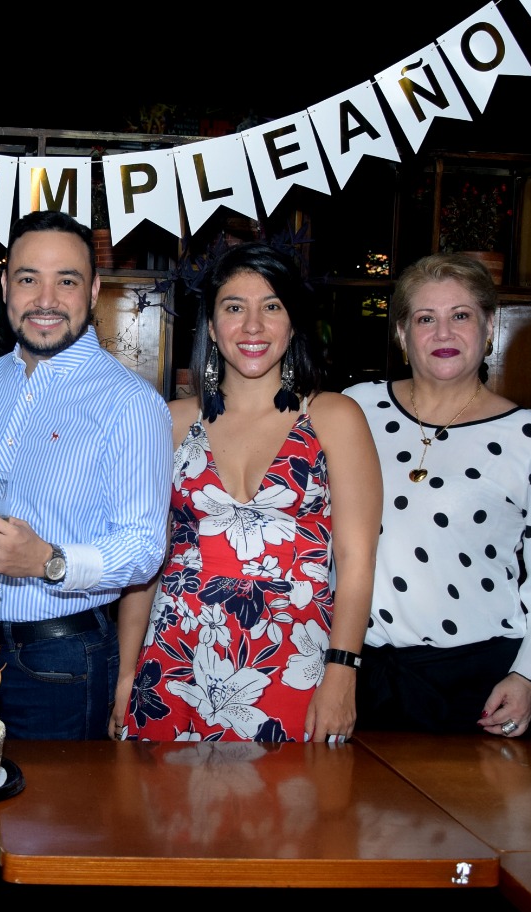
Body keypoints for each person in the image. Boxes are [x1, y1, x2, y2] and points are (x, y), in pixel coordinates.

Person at [115, 241, 381, 745]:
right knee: (165, 819)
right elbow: (144, 561)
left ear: (292, 321)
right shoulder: (170, 423)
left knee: (289, 817)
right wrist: (128, 674)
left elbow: (358, 559)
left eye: (271, 307)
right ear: (212, 328)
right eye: (234, 308)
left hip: (296, 666)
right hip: (174, 661)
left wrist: (343, 669)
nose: (253, 326)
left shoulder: (333, 417)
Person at [0, 209, 173, 741]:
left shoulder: (129, 403)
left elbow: (144, 548)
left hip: (57, 660)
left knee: (52, 822)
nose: (45, 300)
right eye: (29, 278)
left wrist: (50, 561)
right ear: (6, 285)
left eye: (66, 280)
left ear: (94, 291)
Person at [346, 253, 531, 737]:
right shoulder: (354, 409)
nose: (443, 334)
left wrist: (527, 676)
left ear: (489, 326)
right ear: (401, 335)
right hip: (359, 677)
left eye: (461, 316)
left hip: (479, 684)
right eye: (425, 319)